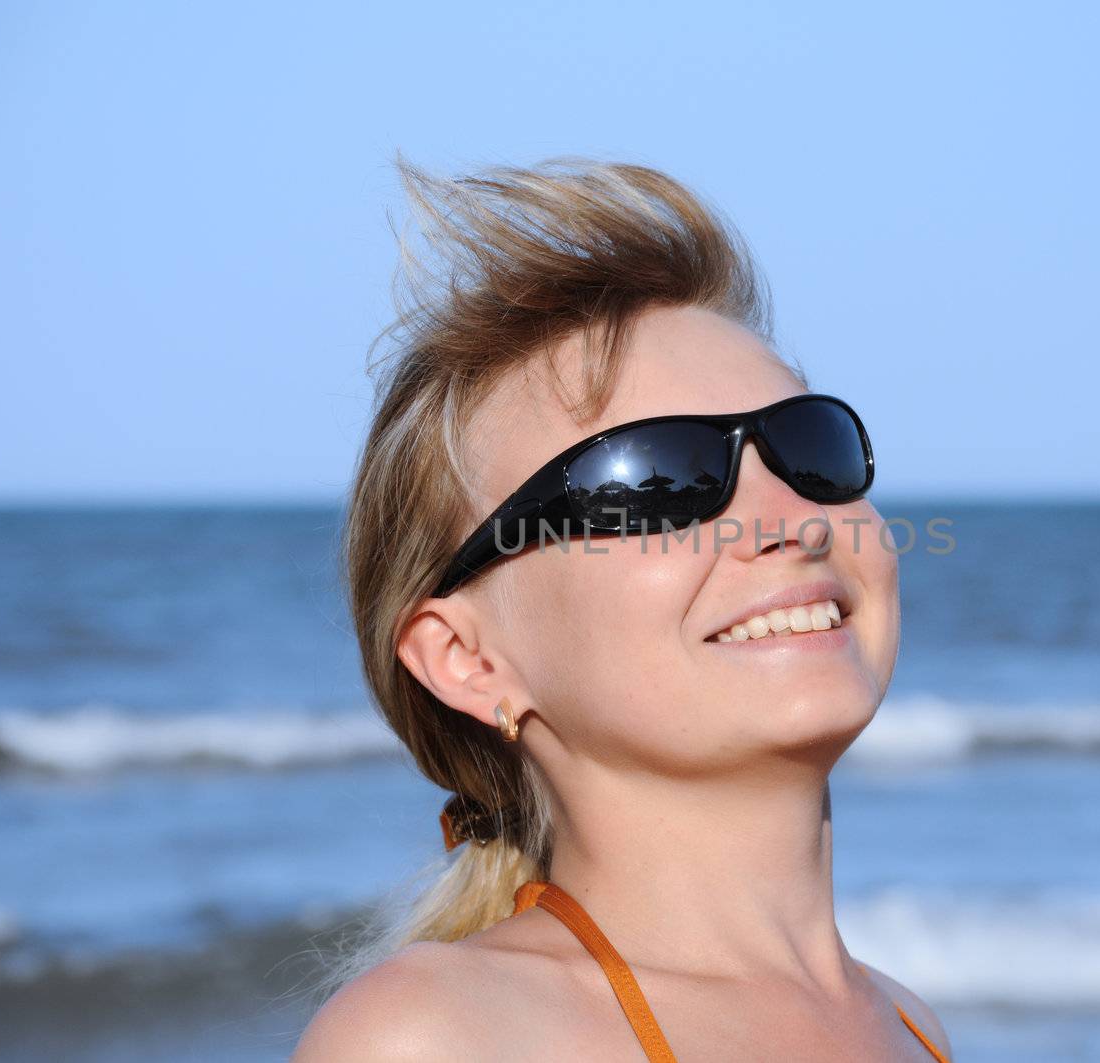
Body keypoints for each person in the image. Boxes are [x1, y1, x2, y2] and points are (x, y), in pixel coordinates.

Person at [292, 154, 952, 1061]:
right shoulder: (437, 1038)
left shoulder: (912, 1027)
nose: (790, 521)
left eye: (810, 447)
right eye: (657, 480)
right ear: (467, 658)